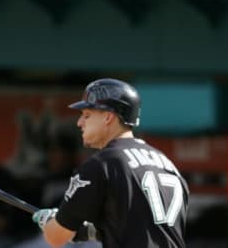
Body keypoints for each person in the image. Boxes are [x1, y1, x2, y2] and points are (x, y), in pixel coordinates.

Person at [31, 78, 190, 248]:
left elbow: (56, 238)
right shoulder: (168, 165)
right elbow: (143, 227)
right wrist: (91, 230)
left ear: (108, 117)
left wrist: (50, 222)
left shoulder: (101, 164)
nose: (80, 123)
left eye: (87, 115)